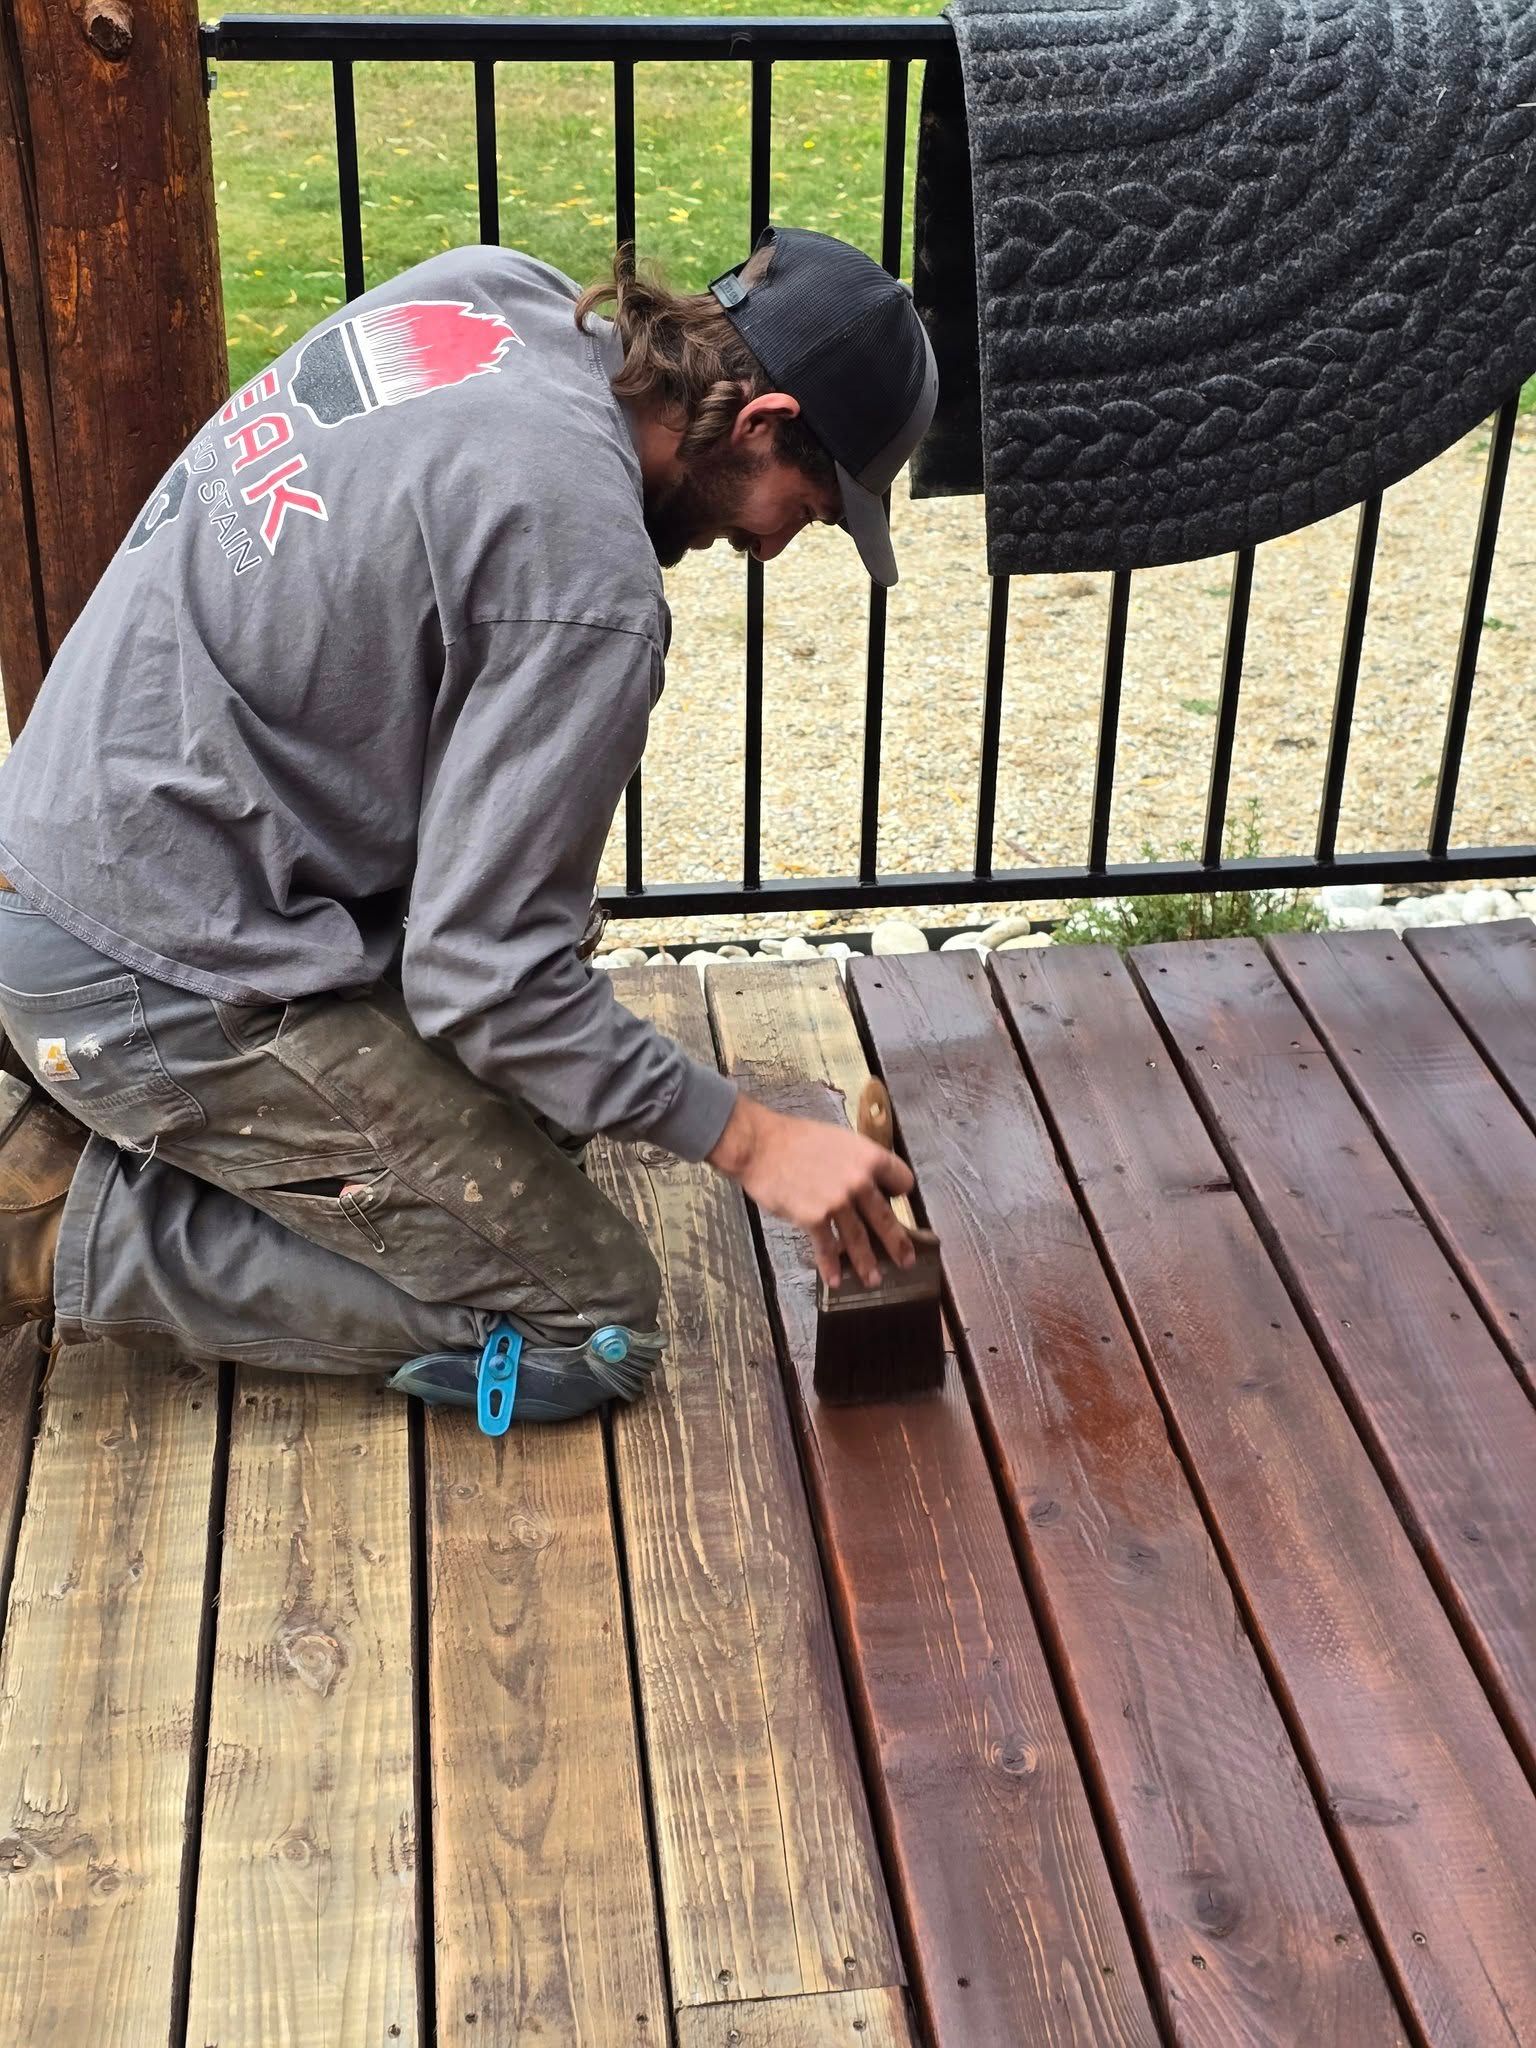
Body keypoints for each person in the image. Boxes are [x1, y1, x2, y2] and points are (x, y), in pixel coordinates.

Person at [0, 225, 938, 1427]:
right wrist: (758, 1141)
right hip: (143, 970)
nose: (766, 544)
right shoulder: (588, 582)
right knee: (592, 1326)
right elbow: (483, 981)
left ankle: (101, 1110)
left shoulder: (495, 296)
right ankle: (47, 1217)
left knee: (548, 1105)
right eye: (800, 509)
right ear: (760, 422)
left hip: (76, 852)